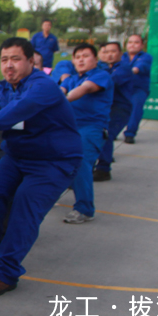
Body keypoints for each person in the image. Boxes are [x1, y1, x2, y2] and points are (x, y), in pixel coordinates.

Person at [0, 37, 81, 297]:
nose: (9, 66)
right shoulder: (2, 89)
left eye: (15, 59)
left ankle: (5, 272)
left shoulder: (43, 86)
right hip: (17, 158)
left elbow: (19, 109)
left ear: (31, 61)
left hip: (53, 161)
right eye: (4, 60)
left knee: (24, 208)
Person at [59, 43, 113, 224]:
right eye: (77, 56)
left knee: (80, 161)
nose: (81, 59)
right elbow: (60, 90)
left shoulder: (101, 75)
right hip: (69, 128)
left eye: (85, 55)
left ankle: (84, 209)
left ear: (96, 60)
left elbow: (85, 89)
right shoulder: (71, 79)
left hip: (91, 128)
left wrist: (61, 100)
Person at [94, 42, 135, 182]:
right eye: (106, 52)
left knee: (106, 134)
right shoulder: (105, 67)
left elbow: (108, 82)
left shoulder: (123, 68)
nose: (109, 54)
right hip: (107, 107)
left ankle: (104, 169)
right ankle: (101, 161)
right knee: (101, 134)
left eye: (113, 51)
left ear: (120, 53)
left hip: (120, 108)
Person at [121, 34, 152, 142]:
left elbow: (140, 67)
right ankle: (112, 131)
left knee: (136, 107)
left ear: (142, 45)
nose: (132, 45)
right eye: (130, 42)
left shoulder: (146, 57)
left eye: (136, 42)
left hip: (138, 88)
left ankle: (130, 133)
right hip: (122, 88)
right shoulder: (121, 56)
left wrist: (131, 71)